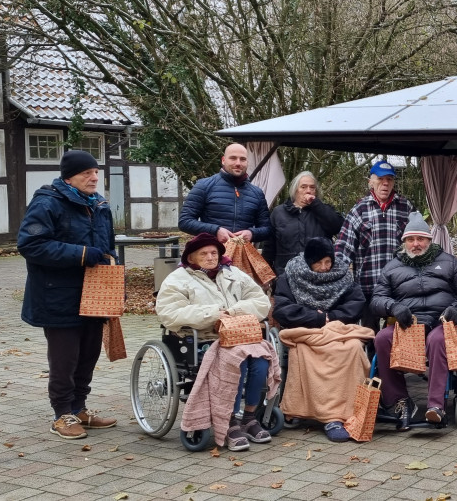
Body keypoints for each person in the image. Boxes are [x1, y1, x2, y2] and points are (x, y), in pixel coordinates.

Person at [17, 150, 118, 439]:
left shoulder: (98, 204)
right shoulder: (48, 202)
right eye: (87, 173)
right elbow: (31, 245)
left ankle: (80, 408)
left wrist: (112, 276)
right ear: (69, 176)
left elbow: (107, 247)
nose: (94, 177)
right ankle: (62, 414)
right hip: (57, 296)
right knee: (65, 358)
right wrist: (83, 254)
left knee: (89, 353)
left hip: (94, 293)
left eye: (96, 172)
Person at [156, 232, 278, 452]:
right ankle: (230, 421)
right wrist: (214, 314)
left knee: (261, 360)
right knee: (236, 362)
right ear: (191, 258)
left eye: (214, 252)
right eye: (204, 254)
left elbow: (260, 301)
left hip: (240, 334)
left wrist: (232, 312)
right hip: (204, 339)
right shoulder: (178, 279)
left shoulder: (233, 274)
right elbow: (169, 313)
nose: (211, 257)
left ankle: (249, 417)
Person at [370, 213, 457, 430]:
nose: (416, 244)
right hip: (408, 325)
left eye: (421, 239)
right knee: (381, 339)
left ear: (429, 240)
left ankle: (436, 406)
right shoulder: (392, 267)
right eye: (411, 239)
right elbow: (377, 299)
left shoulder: (449, 262)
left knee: (437, 340)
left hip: (441, 322)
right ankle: (400, 401)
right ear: (404, 242)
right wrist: (394, 307)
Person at [273, 238, 374, 442]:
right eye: (318, 263)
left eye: (328, 262)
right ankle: (325, 415)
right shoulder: (290, 275)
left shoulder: (343, 274)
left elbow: (357, 303)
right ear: (309, 261)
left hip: (338, 329)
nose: (324, 268)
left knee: (354, 347)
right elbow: (282, 309)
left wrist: (332, 317)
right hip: (306, 330)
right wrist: (317, 317)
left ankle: (349, 411)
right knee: (304, 352)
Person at [334, 160, 414, 329]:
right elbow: (343, 247)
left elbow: (418, 241)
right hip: (367, 286)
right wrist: (335, 278)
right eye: (380, 179)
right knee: (369, 335)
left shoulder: (405, 207)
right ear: (370, 181)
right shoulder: (359, 209)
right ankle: (370, 355)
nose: (385, 183)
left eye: (389, 179)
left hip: (398, 286)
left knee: (396, 334)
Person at [179, 143, 271, 244]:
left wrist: (252, 233)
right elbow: (185, 221)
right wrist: (215, 231)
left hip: (241, 254)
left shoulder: (257, 193)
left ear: (247, 162)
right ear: (223, 160)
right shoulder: (204, 186)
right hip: (211, 254)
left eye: (243, 159)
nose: (238, 163)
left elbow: (267, 229)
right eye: (233, 158)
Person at [263, 171, 344, 273]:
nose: (308, 191)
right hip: (285, 275)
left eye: (312, 187)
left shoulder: (323, 211)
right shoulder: (279, 213)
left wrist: (316, 205)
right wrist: (266, 274)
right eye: (303, 187)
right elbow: (269, 247)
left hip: (318, 275)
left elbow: (338, 227)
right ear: (295, 190)